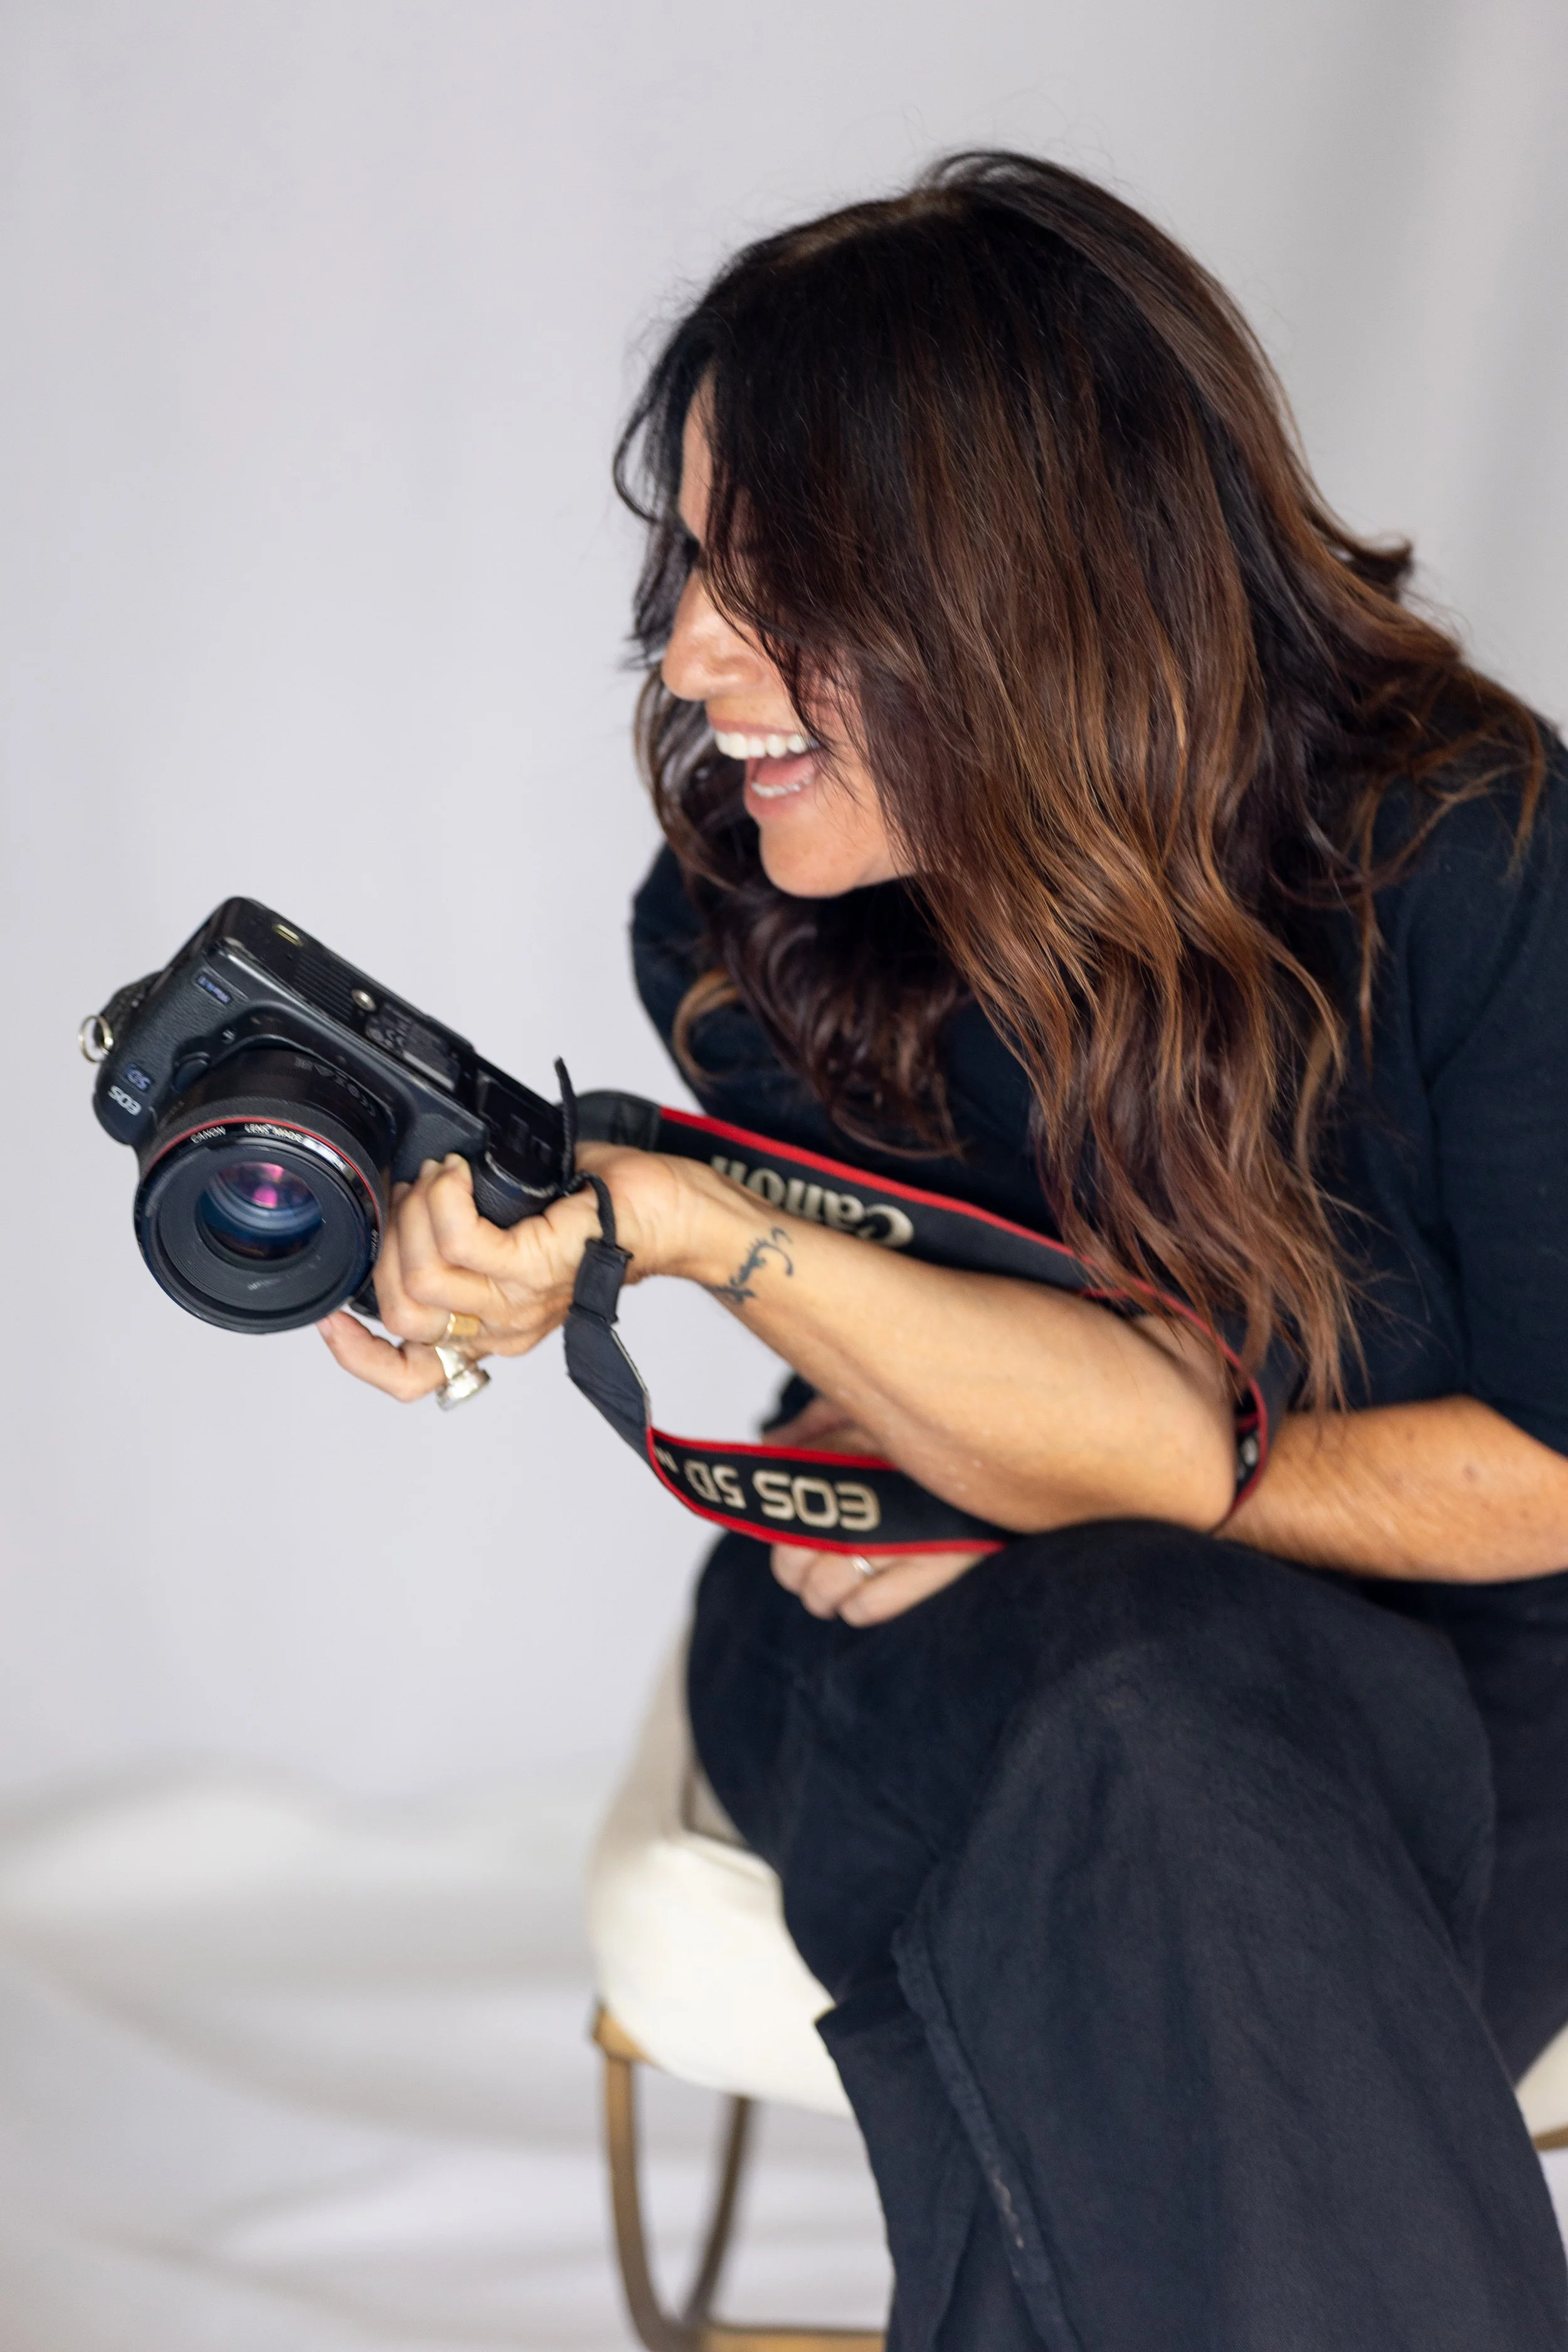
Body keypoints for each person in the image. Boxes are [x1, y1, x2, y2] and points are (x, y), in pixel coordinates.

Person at [319, 152, 1568, 2349]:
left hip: (1463, 1694)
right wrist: (693, 1234)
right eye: (693, 561)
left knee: (1157, 1791)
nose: (693, 656)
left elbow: (1549, 1472)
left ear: (1023, 582)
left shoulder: (1465, 850)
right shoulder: (755, 923)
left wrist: (1134, 1475)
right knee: (1129, 1728)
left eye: (774, 578)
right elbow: (900, 1437)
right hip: (933, 1635)